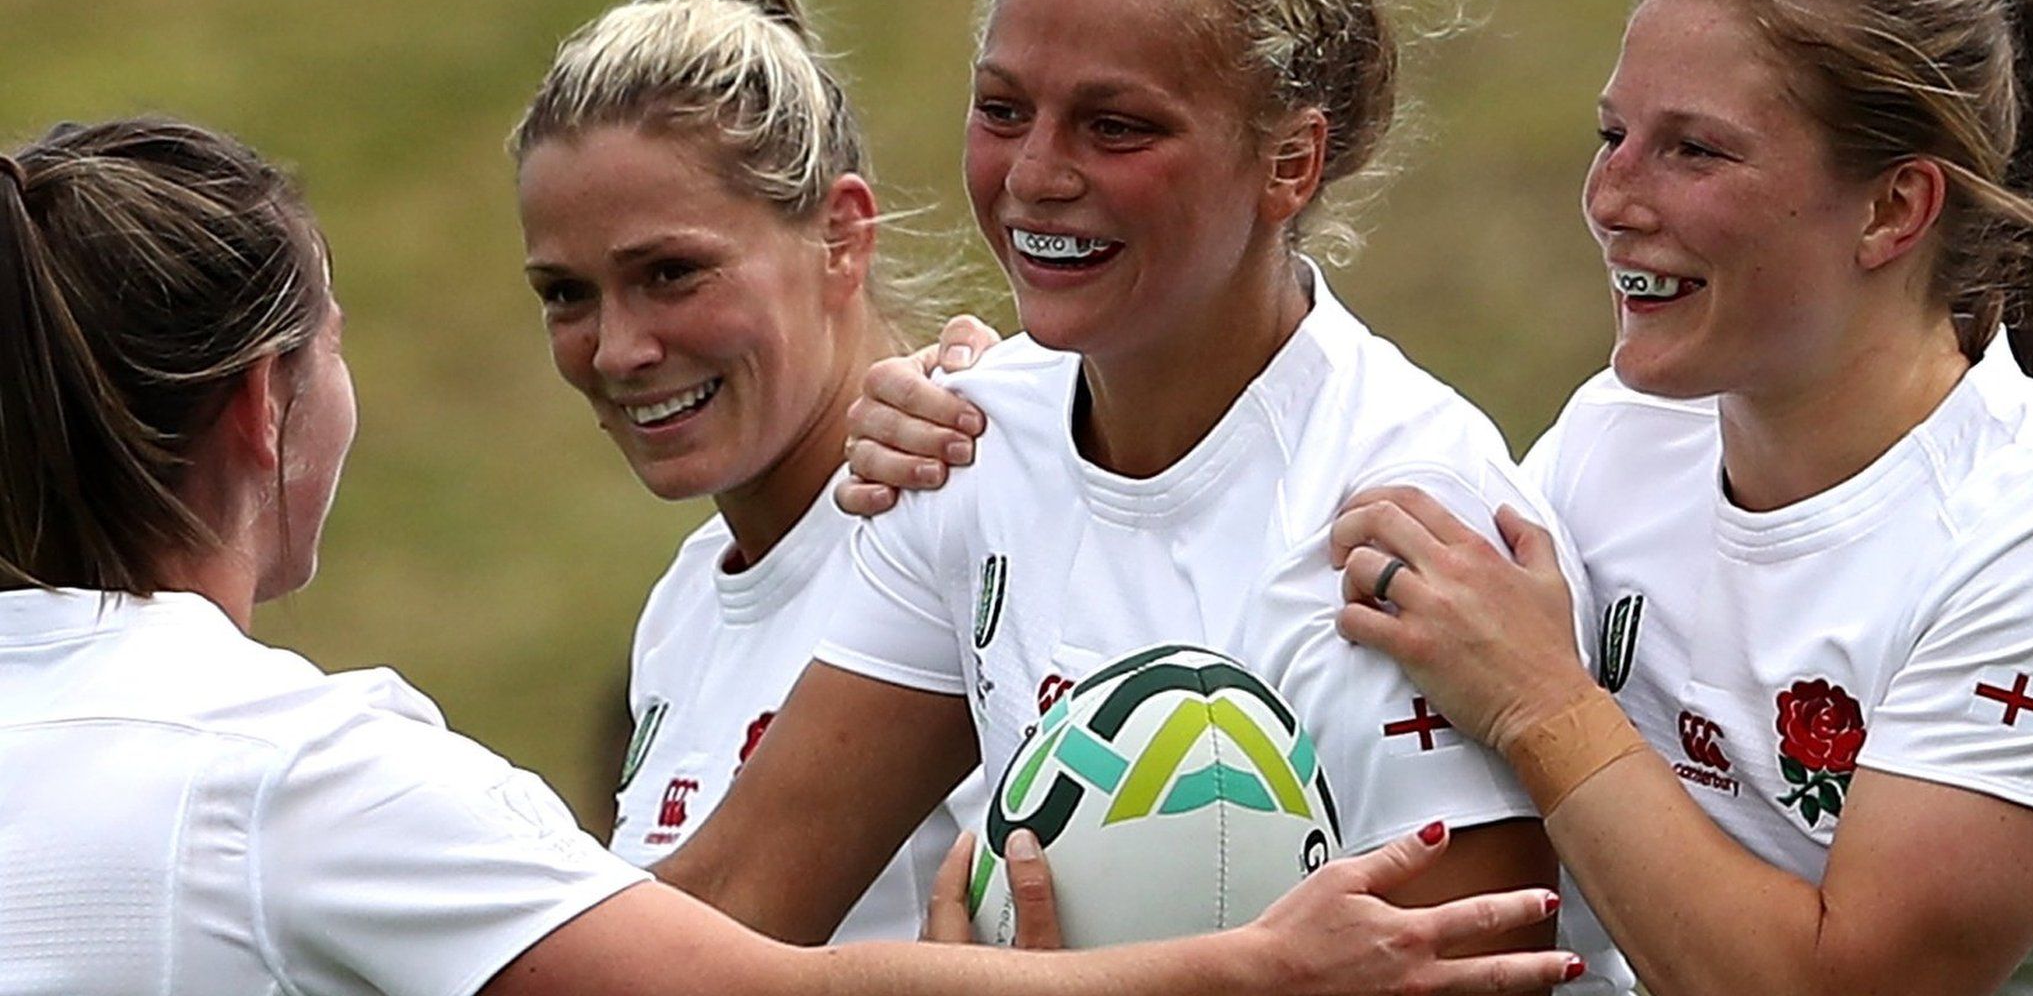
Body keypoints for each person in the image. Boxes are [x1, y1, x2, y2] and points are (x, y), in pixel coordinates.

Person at [0, 115, 1580, 995]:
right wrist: (1251, 972)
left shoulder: (935, 499)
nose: (616, 348)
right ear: (268, 406)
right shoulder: (296, 774)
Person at [659, 0, 1608, 984]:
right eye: (1002, 110)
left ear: (1288, 161)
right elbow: (730, 906)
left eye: (1115, 127)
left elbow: (1480, 970)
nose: (1035, 176)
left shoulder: (1406, 514)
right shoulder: (966, 444)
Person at [1317, 0, 2033, 996]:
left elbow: (1841, 986)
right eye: (1613, 135)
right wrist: (1024, 408)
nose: (1609, 197)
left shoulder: (2017, 534)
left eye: (1693, 152)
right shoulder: (1618, 439)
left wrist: (1543, 704)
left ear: (1893, 210)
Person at [508, 0, 981, 944]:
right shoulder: (683, 606)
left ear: (840, 237)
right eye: (565, 295)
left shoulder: (970, 499)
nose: (618, 348)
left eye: (669, 273)